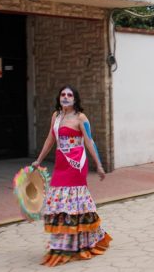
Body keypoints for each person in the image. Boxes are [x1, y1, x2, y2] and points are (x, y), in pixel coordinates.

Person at [32, 85, 111, 267]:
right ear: (59, 97)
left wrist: (98, 164)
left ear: (75, 99)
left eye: (69, 95)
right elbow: (50, 139)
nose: (66, 97)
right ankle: (68, 242)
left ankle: (70, 245)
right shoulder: (56, 116)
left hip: (76, 164)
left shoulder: (81, 118)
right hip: (61, 163)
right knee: (59, 202)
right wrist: (39, 160)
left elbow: (89, 141)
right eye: (63, 94)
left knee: (73, 202)